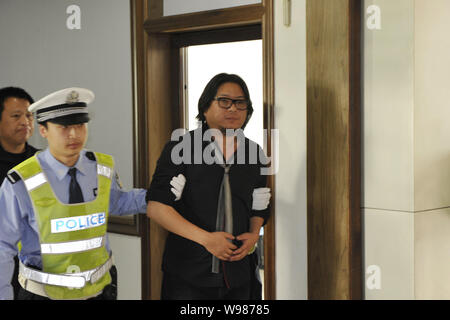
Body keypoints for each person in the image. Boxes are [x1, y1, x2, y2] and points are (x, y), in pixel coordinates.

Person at [0, 87, 183, 300]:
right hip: (44, 294)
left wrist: (161, 194)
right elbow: (3, 245)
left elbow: (118, 202)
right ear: (43, 130)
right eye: (64, 127)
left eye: (80, 125)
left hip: (99, 290)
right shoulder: (21, 180)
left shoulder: (101, 167)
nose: (74, 134)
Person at [147, 73, 271, 300]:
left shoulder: (255, 153)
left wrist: (254, 235)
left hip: (240, 274)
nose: (233, 109)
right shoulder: (181, 148)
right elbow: (156, 207)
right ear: (205, 108)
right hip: (189, 275)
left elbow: (259, 205)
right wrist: (207, 239)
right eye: (224, 101)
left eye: (240, 103)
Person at [0, 86, 39, 300]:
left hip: (35, 268)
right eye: (16, 116)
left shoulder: (43, 163)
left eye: (29, 116)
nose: (25, 122)